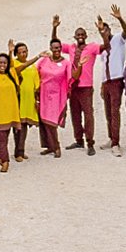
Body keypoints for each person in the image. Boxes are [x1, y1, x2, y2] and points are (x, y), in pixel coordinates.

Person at [35, 23, 75, 159]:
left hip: (57, 95)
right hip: (44, 94)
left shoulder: (66, 63)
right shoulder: (44, 60)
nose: (56, 50)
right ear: (50, 49)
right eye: (54, 48)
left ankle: (56, 146)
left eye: (58, 47)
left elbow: (70, 78)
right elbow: (36, 73)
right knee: (44, 121)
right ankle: (49, 146)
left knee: (52, 121)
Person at [97, 6, 126, 152]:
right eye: (101, 31)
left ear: (110, 30)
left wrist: (119, 18)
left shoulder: (118, 39)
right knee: (107, 112)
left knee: (115, 111)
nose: (104, 32)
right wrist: (101, 85)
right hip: (106, 82)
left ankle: (116, 143)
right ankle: (111, 138)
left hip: (116, 80)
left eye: (106, 29)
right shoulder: (102, 48)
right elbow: (104, 67)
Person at [64, 22, 98, 154]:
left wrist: (102, 31)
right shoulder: (71, 48)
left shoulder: (92, 48)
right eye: (78, 35)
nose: (80, 36)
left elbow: (105, 46)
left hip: (86, 87)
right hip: (73, 86)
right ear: (74, 36)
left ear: (86, 36)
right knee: (75, 114)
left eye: (82, 34)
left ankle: (90, 143)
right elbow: (54, 43)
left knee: (88, 115)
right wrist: (54, 27)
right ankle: (79, 140)